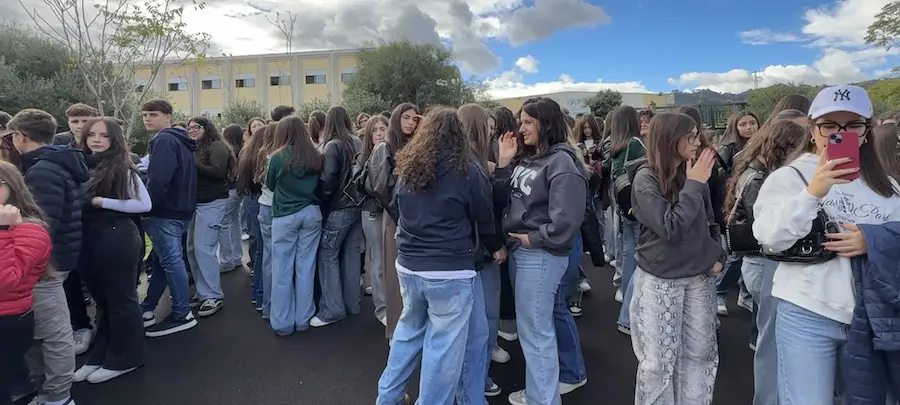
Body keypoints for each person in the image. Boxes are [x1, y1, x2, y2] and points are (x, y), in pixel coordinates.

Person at [376, 108, 495, 405]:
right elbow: (484, 217)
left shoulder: (409, 165)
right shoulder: (468, 169)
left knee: (407, 332)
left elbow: (399, 206)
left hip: (410, 265)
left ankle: (387, 397)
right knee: (442, 350)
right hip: (450, 269)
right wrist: (495, 247)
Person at [10, 108, 90, 405]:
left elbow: (46, 221)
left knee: (52, 331)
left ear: (21, 136)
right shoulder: (55, 162)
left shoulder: (43, 170)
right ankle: (50, 390)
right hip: (57, 257)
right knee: (48, 329)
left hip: (48, 263)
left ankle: (57, 395)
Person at [72, 117, 149, 384]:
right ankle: (100, 354)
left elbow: (143, 204)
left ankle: (126, 358)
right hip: (89, 238)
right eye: (91, 134)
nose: (96, 139)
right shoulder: (81, 164)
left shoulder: (122, 167)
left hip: (117, 237)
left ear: (114, 138)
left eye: (103, 135)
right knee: (103, 303)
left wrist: (102, 201)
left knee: (121, 301)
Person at [139, 99, 200, 337]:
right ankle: (148, 307)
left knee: (172, 262)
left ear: (168, 116)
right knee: (165, 261)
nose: (147, 119)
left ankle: (182, 313)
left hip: (165, 211)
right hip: (181, 209)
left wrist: (147, 207)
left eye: (152, 114)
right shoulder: (180, 140)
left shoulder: (164, 140)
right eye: (144, 115)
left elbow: (159, 178)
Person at [0, 160, 53, 405]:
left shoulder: (30, 231)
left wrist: (3, 229)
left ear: (13, 187)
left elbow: (7, 282)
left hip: (9, 320)